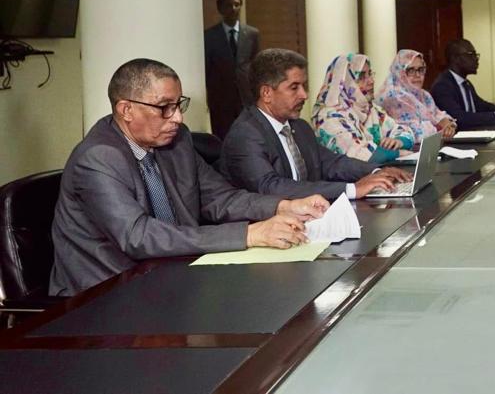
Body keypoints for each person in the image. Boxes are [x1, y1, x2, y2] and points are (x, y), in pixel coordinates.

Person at [51, 58, 328, 296]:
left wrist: (283, 206)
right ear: (126, 110)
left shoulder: (177, 141)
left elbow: (221, 198)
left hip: (175, 276)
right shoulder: (98, 158)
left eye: (178, 105)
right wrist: (249, 234)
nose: (177, 119)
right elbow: (139, 236)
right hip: (107, 293)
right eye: (164, 107)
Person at [220, 49, 411, 200]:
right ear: (267, 93)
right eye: (294, 87)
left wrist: (377, 171)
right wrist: (352, 189)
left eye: (304, 86)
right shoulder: (245, 134)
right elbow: (271, 187)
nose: (304, 95)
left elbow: (331, 163)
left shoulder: (299, 127)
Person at [311, 53, 415, 164]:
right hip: (347, 175)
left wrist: (399, 141)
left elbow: (403, 130)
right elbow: (357, 154)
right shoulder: (328, 117)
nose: (371, 81)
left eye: (370, 74)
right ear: (344, 82)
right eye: (361, 77)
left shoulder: (370, 110)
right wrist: (396, 154)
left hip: (375, 172)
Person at [204, 0, 260, 138]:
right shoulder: (209, 36)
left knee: (249, 135)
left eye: (237, 5)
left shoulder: (252, 34)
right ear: (220, 9)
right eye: (229, 5)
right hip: (220, 99)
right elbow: (207, 70)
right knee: (223, 137)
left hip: (246, 97)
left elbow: (256, 65)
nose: (233, 9)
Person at [430, 39, 495, 129]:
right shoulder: (442, 86)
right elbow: (459, 118)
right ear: (455, 58)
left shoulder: (466, 83)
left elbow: (480, 105)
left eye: (476, 55)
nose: (476, 59)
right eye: (471, 55)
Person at [375, 50, 458, 142]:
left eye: (420, 69)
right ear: (399, 72)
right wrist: (439, 126)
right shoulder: (393, 97)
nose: (418, 75)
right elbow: (412, 132)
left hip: (428, 146)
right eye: (411, 70)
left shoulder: (424, 95)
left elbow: (439, 115)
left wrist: (447, 124)